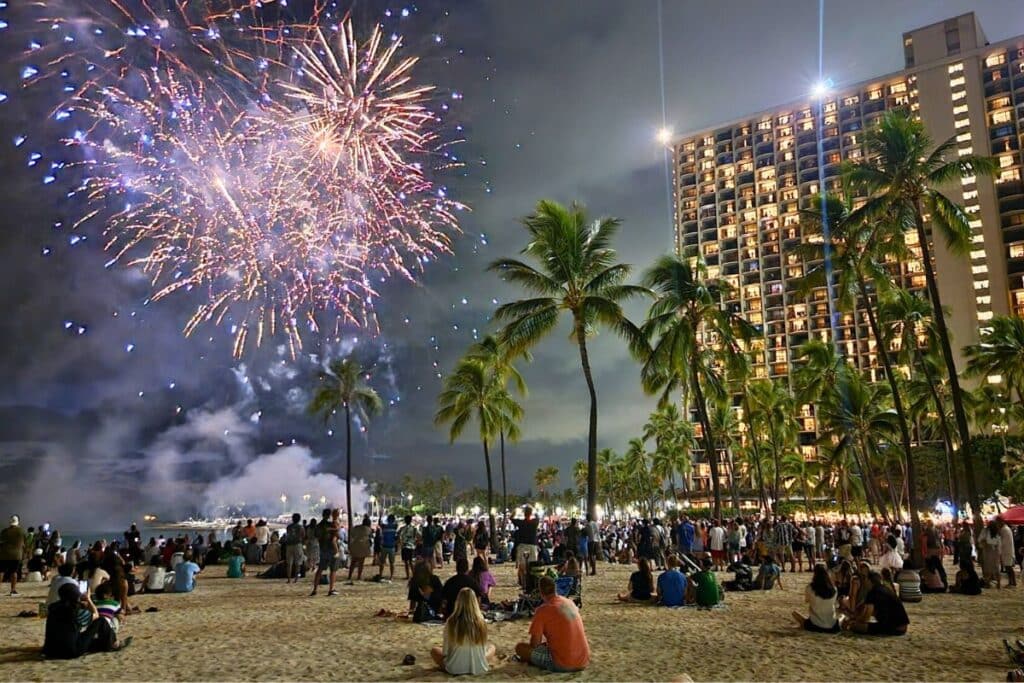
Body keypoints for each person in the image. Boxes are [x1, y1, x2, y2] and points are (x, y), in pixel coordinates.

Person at [515, 576, 590, 672]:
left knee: (520, 648)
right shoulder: (569, 603)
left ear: (541, 592)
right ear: (555, 588)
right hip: (583, 660)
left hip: (562, 663)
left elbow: (534, 644)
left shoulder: (543, 610)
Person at [43, 583, 129, 659]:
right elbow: (96, 615)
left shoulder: (53, 608)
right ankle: (113, 644)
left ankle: (107, 644)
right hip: (71, 651)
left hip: (51, 650)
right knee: (101, 621)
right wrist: (88, 599)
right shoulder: (75, 610)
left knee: (96, 642)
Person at [430, 587, 495, 675]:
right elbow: (482, 650)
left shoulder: (451, 621)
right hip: (478, 667)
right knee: (492, 647)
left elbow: (446, 651)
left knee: (435, 650)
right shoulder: (481, 621)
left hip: (455, 668)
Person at [846, 570, 909, 636]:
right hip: (902, 627)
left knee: (855, 627)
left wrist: (853, 622)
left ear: (869, 581)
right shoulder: (885, 589)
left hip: (894, 628)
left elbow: (865, 617)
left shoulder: (873, 592)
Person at [791, 565, 840, 633]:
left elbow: (807, 601)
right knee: (842, 616)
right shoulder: (834, 589)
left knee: (794, 613)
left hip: (815, 625)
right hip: (832, 626)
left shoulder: (810, 588)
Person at [311, 508, 340, 597]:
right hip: (331, 549)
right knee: (333, 570)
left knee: (320, 570)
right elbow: (336, 532)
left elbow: (316, 536)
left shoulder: (319, 526)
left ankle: (315, 589)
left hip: (323, 548)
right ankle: (331, 589)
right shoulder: (331, 524)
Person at [513, 507, 540, 586]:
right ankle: (531, 582)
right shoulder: (535, 522)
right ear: (531, 513)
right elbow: (538, 516)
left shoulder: (520, 522)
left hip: (522, 545)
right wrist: (534, 510)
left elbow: (511, 518)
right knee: (532, 564)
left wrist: (515, 511)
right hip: (532, 545)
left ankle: (523, 582)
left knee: (522, 565)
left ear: (524, 513)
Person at [0, 515, 26, 596]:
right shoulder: (21, 531)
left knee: (1, 571)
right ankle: (13, 590)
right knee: (14, 572)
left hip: (4, 554)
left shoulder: (4, 531)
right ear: (18, 522)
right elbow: (24, 544)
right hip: (16, 555)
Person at [347, 515, 372, 583]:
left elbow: (352, 535)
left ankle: (349, 576)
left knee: (353, 562)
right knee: (361, 562)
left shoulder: (356, 527)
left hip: (355, 545)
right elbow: (370, 536)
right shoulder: (369, 529)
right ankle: (359, 576)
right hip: (364, 546)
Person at [979, 519, 1003, 588]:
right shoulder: (988, 531)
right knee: (993, 567)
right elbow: (981, 541)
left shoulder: (988, 531)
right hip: (991, 550)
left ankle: (990, 583)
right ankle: (994, 583)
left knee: (990, 567)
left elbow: (980, 540)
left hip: (991, 550)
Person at [283, 512, 305, 584]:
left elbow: (288, 535)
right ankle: (296, 579)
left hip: (289, 545)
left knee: (289, 563)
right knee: (298, 563)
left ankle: (289, 579)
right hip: (297, 545)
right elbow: (303, 535)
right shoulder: (300, 527)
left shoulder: (288, 527)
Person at [398, 515, 419, 580]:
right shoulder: (414, 528)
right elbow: (419, 536)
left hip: (404, 546)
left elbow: (398, 536)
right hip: (411, 546)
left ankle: (407, 576)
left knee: (406, 562)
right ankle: (414, 575)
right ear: (411, 520)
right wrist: (415, 543)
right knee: (411, 562)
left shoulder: (402, 528)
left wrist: (401, 543)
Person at [378, 514, 398, 581]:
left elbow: (379, 523)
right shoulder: (395, 526)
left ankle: (380, 574)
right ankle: (391, 576)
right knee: (392, 563)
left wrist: (380, 516)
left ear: (388, 519)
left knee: (382, 562)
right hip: (392, 547)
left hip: (384, 546)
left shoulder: (384, 526)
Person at [999, 517, 1017, 588]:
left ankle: (1012, 582)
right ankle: (1012, 582)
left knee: (1008, 567)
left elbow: (1003, 542)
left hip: (1007, 551)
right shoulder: (1005, 529)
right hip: (1007, 550)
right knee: (1008, 567)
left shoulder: (1004, 530)